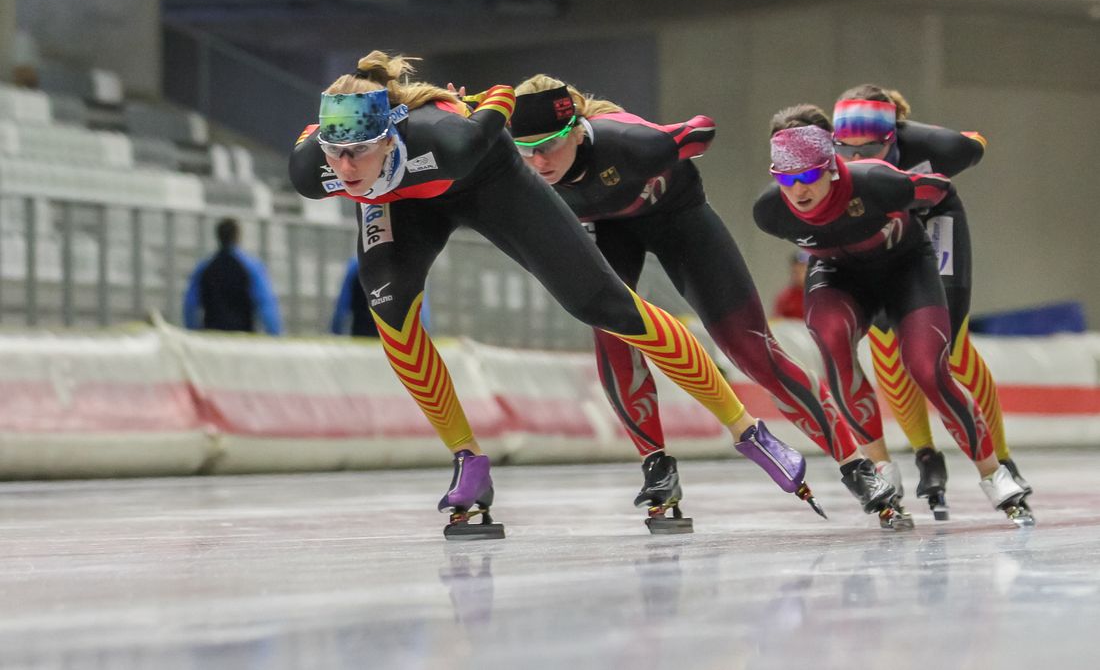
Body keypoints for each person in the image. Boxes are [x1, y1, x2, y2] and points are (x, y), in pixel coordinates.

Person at [288, 52, 822, 540]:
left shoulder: (447, 138)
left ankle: (747, 431)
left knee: (603, 305)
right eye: (336, 155)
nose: (347, 170)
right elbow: (321, 146)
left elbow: (500, 94)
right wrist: (339, 157)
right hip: (402, 201)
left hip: (485, 178)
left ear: (388, 137)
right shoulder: (313, 170)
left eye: (358, 152)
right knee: (390, 312)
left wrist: (473, 103)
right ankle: (468, 460)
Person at [510, 76, 895, 528]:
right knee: (611, 330)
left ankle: (856, 466)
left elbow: (701, 128)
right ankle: (657, 468)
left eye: (549, 146)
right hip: (607, 231)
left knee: (751, 349)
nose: (538, 161)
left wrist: (687, 135)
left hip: (677, 219)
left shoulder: (630, 143)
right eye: (526, 149)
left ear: (576, 128)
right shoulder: (523, 169)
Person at [753, 105, 1032, 527]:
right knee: (831, 340)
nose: (798, 190)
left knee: (928, 368)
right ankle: (881, 468)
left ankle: (994, 473)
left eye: (808, 176)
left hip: (906, 271)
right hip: (840, 277)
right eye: (786, 179)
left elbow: (939, 189)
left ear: (832, 167)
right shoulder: (770, 211)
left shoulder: (877, 182)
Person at [832, 85, 1030, 519]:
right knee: (885, 340)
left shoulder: (936, 147)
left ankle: (1001, 457)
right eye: (847, 150)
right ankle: (926, 453)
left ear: (896, 137)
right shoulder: (827, 166)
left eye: (873, 148)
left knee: (948, 348)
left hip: (934, 221)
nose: (859, 158)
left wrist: (971, 140)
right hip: (881, 232)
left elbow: (974, 142)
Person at [183, 217, 282, 335]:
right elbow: (265, 304)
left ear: (218, 237)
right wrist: (275, 334)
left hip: (212, 335)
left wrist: (193, 331)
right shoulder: (251, 267)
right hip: (242, 336)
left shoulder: (204, 267)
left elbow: (190, 305)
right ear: (237, 237)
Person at [773, 250, 810, 319]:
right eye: (796, 271)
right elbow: (777, 322)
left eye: (803, 270)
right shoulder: (786, 297)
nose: (800, 274)